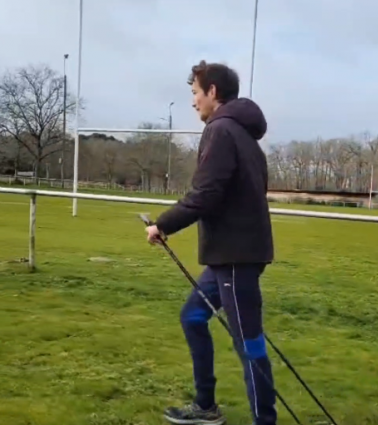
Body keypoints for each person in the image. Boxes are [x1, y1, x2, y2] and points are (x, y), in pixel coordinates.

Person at [146, 60, 277, 425]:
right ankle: (206, 406)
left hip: (236, 257)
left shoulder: (221, 130)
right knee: (193, 317)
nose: (193, 102)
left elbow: (206, 194)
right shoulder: (242, 134)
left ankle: (265, 420)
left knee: (249, 342)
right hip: (228, 258)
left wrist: (162, 225)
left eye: (195, 93)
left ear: (213, 92)